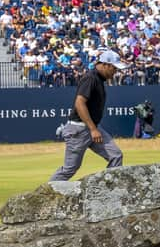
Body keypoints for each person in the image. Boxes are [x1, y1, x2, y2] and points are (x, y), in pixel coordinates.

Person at [49, 50, 125, 181]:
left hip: (90, 127)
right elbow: (79, 103)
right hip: (79, 130)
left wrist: (93, 128)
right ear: (105, 64)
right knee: (69, 169)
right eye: (114, 68)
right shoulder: (91, 78)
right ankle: (46, 197)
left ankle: (109, 192)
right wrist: (93, 129)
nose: (116, 72)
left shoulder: (98, 79)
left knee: (116, 156)